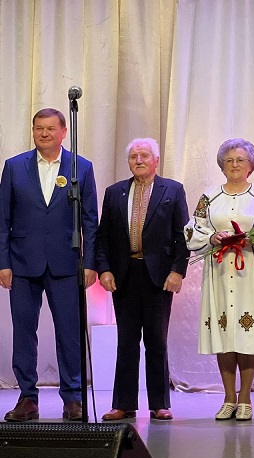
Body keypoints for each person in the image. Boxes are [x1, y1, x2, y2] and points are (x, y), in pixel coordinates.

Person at [0, 108, 98, 422]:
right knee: (23, 334)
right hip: (22, 262)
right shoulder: (14, 167)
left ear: (64, 132)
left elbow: (90, 221)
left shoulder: (81, 167)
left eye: (50, 128)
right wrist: (3, 262)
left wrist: (90, 262)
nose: (44, 133)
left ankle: (73, 398)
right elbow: (2, 219)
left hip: (66, 262)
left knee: (69, 333)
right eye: (38, 128)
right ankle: (27, 398)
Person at [184, 138, 254, 421]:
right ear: (221, 166)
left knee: (247, 334)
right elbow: (193, 230)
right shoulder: (209, 197)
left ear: (251, 165)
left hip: (250, 272)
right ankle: (229, 397)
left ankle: (245, 397)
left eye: (240, 160)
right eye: (229, 160)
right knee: (225, 333)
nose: (235, 165)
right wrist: (212, 237)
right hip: (219, 272)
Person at [97, 138, 189, 421]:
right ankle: (123, 404)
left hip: (158, 277)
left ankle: (159, 403)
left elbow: (182, 235)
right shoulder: (114, 193)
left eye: (144, 155)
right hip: (124, 276)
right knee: (126, 342)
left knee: (156, 342)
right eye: (133, 156)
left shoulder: (172, 190)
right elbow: (103, 237)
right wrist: (104, 269)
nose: (138, 160)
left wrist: (177, 271)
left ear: (156, 160)